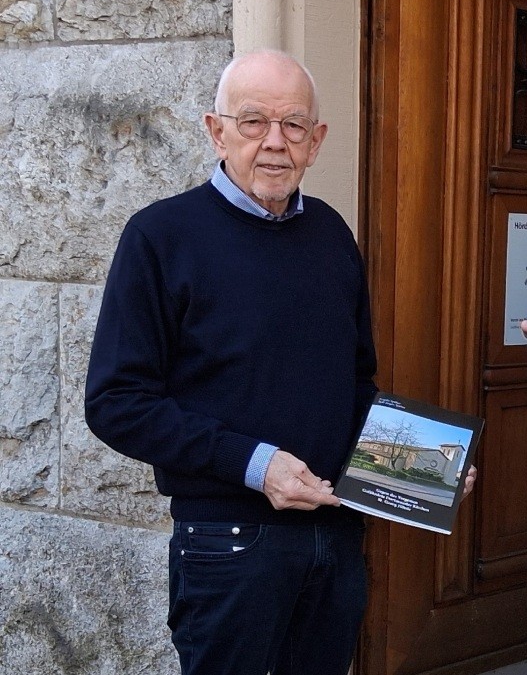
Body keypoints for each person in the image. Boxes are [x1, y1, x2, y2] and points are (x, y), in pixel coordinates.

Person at [84, 50, 474, 674]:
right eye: (252, 122)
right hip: (228, 546)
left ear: (316, 141)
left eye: (293, 125)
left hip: (334, 538)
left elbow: (352, 384)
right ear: (217, 131)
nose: (274, 143)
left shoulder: (330, 234)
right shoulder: (159, 237)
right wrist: (254, 464)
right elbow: (115, 404)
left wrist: (422, 466)